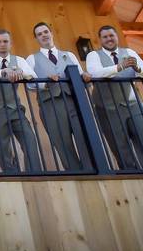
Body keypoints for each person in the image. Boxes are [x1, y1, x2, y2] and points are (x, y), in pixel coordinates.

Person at [86, 25, 143, 170]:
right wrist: (119, 67)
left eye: (111, 36)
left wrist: (138, 69)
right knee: (121, 150)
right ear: (100, 40)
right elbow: (95, 73)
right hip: (107, 109)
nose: (109, 39)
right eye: (105, 37)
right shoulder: (93, 55)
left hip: (133, 105)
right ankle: (133, 178)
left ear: (116, 37)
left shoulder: (129, 52)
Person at [26, 22, 93, 171]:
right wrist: (45, 83)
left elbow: (81, 76)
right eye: (39, 34)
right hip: (50, 105)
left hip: (73, 101)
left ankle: (90, 170)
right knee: (62, 142)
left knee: (84, 137)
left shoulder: (69, 55)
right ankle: (75, 173)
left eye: (45, 32)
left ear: (51, 33)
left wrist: (86, 76)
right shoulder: (32, 59)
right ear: (36, 39)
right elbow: (29, 85)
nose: (43, 35)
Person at [0, 29, 42, 173]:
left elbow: (32, 74)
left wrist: (20, 72)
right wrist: (3, 71)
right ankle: (13, 175)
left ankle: (34, 173)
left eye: (5, 41)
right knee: (3, 148)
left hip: (16, 109)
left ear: (10, 43)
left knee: (29, 140)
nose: (2, 44)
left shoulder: (19, 60)